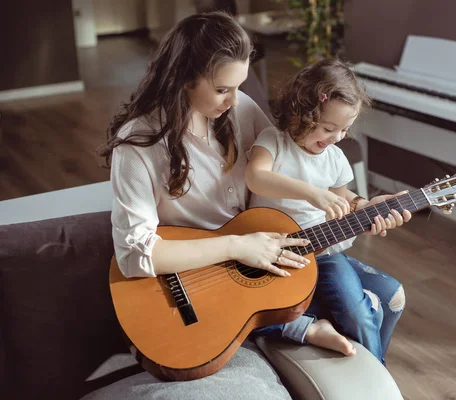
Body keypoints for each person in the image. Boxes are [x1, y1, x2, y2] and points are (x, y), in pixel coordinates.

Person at [99, 11, 407, 361]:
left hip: (268, 254)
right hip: (200, 277)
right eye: (221, 89)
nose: (233, 100)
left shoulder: (239, 109)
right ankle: (297, 326)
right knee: (366, 305)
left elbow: (298, 168)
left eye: (239, 86)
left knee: (393, 297)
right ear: (184, 79)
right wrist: (237, 246)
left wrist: (361, 204)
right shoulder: (138, 146)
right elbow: (134, 256)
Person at [245, 58, 411, 363]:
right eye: (328, 127)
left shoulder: (335, 159)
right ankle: (307, 327)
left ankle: (375, 376)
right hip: (275, 253)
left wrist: (366, 210)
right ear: (301, 113)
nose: (336, 138)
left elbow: (342, 207)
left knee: (356, 312)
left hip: (325, 253)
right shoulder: (274, 142)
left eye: (345, 129)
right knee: (251, 309)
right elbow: (256, 177)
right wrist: (312, 194)